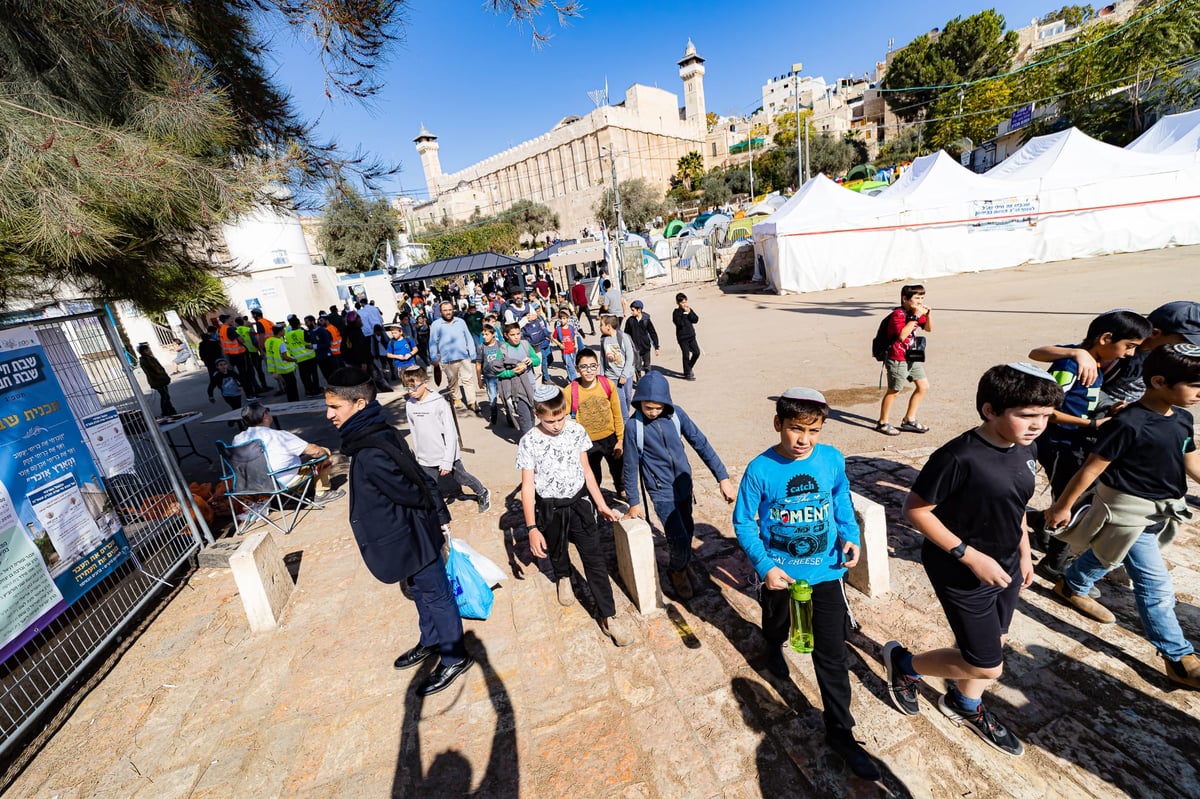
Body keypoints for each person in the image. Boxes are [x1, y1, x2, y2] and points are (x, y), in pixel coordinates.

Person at [883, 364, 1063, 758]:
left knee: (993, 642)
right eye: (1027, 415)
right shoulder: (958, 456)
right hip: (960, 568)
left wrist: (1023, 552)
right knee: (987, 666)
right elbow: (914, 510)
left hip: (1006, 566)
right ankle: (904, 663)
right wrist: (970, 556)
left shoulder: (1026, 447)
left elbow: (1016, 505)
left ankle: (964, 705)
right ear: (990, 410)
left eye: (1046, 417)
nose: (1038, 426)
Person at [732, 387, 879, 780]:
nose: (804, 440)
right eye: (796, 429)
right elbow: (744, 522)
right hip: (780, 577)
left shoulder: (831, 459)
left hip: (827, 573)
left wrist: (850, 534)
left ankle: (841, 732)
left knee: (831, 654)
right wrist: (764, 566)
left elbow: (840, 496)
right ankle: (772, 644)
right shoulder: (759, 470)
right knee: (777, 625)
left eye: (813, 430)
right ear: (778, 423)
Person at [1043, 343, 1200, 689]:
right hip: (1128, 514)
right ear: (1159, 381)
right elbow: (1090, 469)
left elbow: (1190, 459)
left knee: (1109, 556)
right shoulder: (1128, 423)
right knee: (1155, 586)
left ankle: (1071, 585)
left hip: (1161, 509)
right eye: (1195, 386)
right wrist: (1062, 506)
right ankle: (1178, 657)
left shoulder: (1183, 419)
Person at [324, 368, 472, 696]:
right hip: (404, 538)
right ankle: (432, 640)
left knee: (436, 594)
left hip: (414, 535)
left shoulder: (372, 448)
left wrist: (438, 515)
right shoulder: (369, 434)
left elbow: (414, 486)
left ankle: (454, 655)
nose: (328, 414)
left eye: (335, 407)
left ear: (359, 404)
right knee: (421, 592)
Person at [1032, 309, 1151, 580]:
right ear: (1106, 338)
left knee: (1076, 498)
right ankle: (1054, 563)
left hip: (1075, 441)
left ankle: (1042, 523)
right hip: (1061, 443)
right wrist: (1092, 425)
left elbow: (1086, 399)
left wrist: (1109, 409)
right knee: (1069, 503)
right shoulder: (1072, 364)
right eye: (1129, 346)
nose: (1130, 354)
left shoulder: (1095, 364)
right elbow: (1048, 410)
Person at [516, 385, 632, 646]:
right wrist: (532, 528)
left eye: (561, 418)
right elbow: (527, 487)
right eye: (550, 421)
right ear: (537, 414)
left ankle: (608, 616)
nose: (557, 425)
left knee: (595, 560)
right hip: (549, 508)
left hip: (579, 504)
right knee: (557, 550)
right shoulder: (529, 441)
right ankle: (563, 576)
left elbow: (588, 471)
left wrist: (600, 503)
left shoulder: (577, 431)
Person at [624, 372, 734, 599]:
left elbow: (701, 443)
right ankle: (677, 571)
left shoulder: (677, 415)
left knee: (688, 528)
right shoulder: (634, 427)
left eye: (658, 407)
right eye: (648, 408)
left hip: (684, 485)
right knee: (679, 537)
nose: (653, 412)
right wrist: (634, 502)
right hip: (661, 491)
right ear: (639, 402)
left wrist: (722, 477)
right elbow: (630, 466)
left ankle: (683, 562)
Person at [1028, 300, 1200, 415]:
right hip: (1099, 418)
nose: (1189, 348)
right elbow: (1037, 353)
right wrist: (1077, 353)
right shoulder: (1116, 347)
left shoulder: (1167, 355)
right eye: (1185, 341)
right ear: (1156, 333)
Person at [402, 366, 491, 514]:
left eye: (414, 387)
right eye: (407, 388)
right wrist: (418, 454)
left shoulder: (439, 403)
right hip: (425, 456)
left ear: (425, 383)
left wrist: (447, 460)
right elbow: (414, 431)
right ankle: (434, 511)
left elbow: (450, 433)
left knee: (463, 478)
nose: (411, 391)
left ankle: (482, 492)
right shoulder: (410, 405)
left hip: (446, 455)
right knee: (428, 485)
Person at [233, 403, 342, 502]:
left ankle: (295, 494)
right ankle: (321, 493)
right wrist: (326, 457)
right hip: (281, 484)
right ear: (264, 415)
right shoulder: (279, 436)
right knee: (323, 452)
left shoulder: (237, 439)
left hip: (251, 486)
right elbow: (316, 452)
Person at [876, 284, 933, 436]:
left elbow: (928, 329)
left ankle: (909, 419)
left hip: (911, 356)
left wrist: (928, 316)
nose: (920, 301)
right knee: (894, 390)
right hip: (897, 357)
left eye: (922, 298)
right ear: (905, 299)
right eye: (916, 298)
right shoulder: (898, 315)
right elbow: (902, 335)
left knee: (923, 386)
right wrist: (914, 317)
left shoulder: (914, 312)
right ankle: (882, 422)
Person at [569, 348, 624, 497]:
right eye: (584, 367)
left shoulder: (607, 385)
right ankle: (595, 499)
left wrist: (620, 439)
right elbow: (560, 415)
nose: (589, 370)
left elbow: (617, 414)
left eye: (592, 366)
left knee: (618, 469)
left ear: (597, 366)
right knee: (593, 474)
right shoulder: (570, 391)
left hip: (610, 438)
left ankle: (621, 490)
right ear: (577, 369)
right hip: (588, 443)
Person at [429, 302, 478, 412]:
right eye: (445, 310)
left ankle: (472, 402)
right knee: (453, 381)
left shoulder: (460, 322)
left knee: (468, 380)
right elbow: (432, 342)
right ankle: (457, 399)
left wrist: (472, 353)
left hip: (463, 356)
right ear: (441, 312)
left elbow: (468, 337)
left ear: (453, 310)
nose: (448, 312)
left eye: (450, 309)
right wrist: (433, 358)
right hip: (447, 359)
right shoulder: (436, 325)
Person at [496, 323, 540, 434]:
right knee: (524, 417)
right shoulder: (503, 349)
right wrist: (511, 372)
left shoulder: (525, 344)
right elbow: (498, 372)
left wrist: (531, 361)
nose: (516, 337)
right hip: (516, 389)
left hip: (530, 386)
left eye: (518, 333)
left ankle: (531, 438)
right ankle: (528, 442)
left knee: (532, 415)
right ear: (506, 335)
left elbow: (537, 360)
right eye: (512, 334)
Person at [599, 315, 636, 417]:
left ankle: (626, 415)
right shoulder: (603, 340)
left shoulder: (623, 337)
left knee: (628, 397)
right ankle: (624, 421)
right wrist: (602, 376)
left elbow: (630, 357)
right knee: (621, 401)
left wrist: (624, 375)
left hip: (626, 375)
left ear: (608, 326)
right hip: (612, 376)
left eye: (601, 325)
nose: (600, 327)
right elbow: (602, 359)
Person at [476, 323, 507, 426]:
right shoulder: (481, 347)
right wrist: (479, 380)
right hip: (489, 378)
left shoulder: (501, 345)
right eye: (483, 334)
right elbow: (478, 364)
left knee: (506, 398)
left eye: (487, 334)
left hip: (502, 376)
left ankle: (510, 417)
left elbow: (506, 359)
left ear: (493, 334)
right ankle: (494, 413)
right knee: (492, 398)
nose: (484, 337)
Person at [623, 300, 660, 380]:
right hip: (635, 349)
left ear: (639, 310)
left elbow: (653, 333)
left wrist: (656, 347)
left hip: (646, 347)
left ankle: (648, 381)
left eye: (633, 310)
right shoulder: (630, 321)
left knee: (647, 366)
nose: (631, 312)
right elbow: (626, 335)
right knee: (638, 367)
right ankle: (639, 382)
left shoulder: (646, 320)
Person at [263, 323, 299, 402]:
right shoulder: (280, 342)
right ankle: (295, 402)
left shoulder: (268, 341)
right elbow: (285, 357)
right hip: (286, 368)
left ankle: (290, 402)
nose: (284, 331)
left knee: (287, 387)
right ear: (280, 331)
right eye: (283, 330)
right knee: (292, 386)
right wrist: (295, 359)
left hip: (276, 368)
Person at [286, 316, 322, 397]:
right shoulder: (303, 332)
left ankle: (308, 390)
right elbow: (309, 341)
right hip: (309, 356)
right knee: (314, 374)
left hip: (299, 358)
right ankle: (316, 389)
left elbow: (289, 346)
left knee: (305, 376)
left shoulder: (288, 335)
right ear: (299, 324)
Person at [137, 343, 177, 416]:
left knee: (166, 395)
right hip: (157, 380)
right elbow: (153, 371)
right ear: (144, 351)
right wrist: (161, 376)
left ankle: (170, 409)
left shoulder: (150, 358)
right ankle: (165, 411)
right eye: (147, 350)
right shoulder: (145, 360)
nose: (149, 351)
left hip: (161, 379)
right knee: (165, 396)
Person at [523, 301, 554, 384]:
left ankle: (543, 373)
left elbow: (544, 328)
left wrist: (549, 335)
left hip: (546, 341)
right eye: (536, 310)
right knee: (543, 361)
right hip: (538, 345)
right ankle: (546, 378)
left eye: (538, 309)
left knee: (550, 359)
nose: (538, 311)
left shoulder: (540, 318)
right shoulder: (528, 323)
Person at [672, 292, 700, 381]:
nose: (684, 304)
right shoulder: (676, 313)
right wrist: (685, 314)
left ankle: (688, 367)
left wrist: (689, 312)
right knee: (686, 355)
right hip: (682, 338)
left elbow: (695, 320)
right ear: (678, 303)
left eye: (685, 302)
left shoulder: (688, 309)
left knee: (696, 352)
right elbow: (679, 323)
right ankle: (687, 373)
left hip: (691, 336)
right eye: (682, 303)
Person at [552, 306, 581, 383]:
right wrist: (559, 344)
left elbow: (574, 335)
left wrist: (576, 344)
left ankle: (569, 378)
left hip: (572, 350)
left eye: (564, 318)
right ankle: (574, 382)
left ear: (568, 319)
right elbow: (553, 338)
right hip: (565, 351)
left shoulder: (571, 327)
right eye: (561, 318)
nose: (562, 320)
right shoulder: (558, 329)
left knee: (572, 367)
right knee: (570, 367)